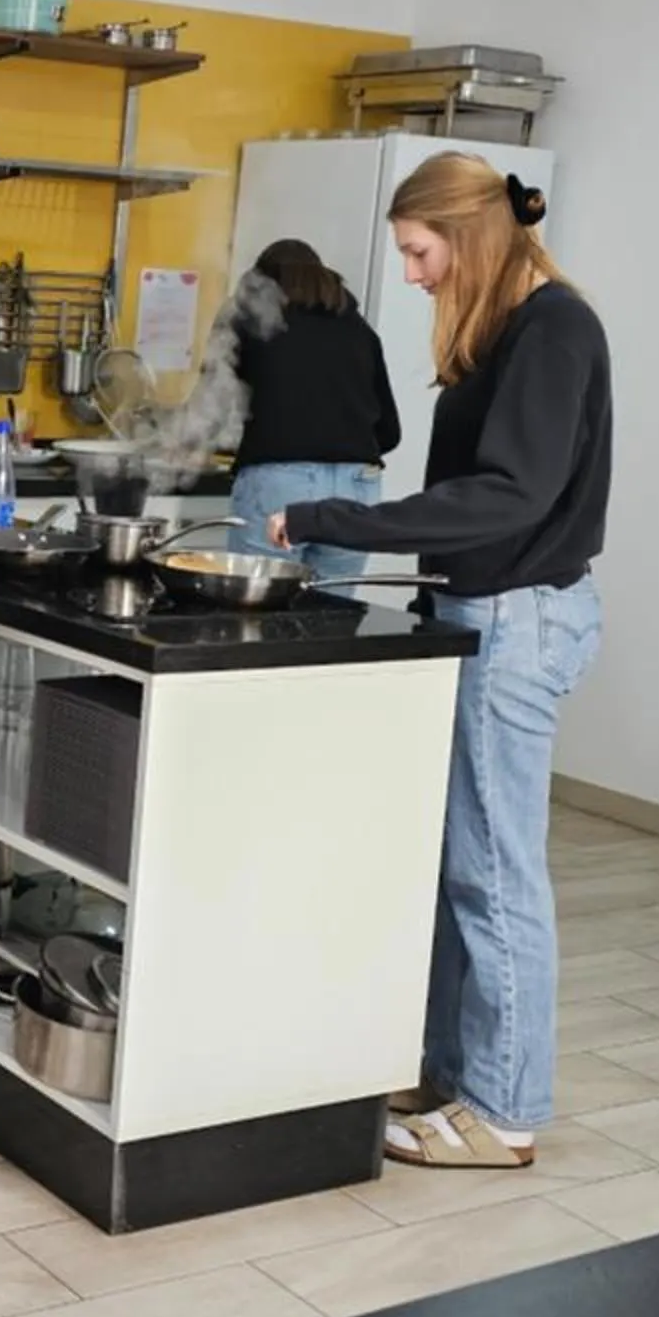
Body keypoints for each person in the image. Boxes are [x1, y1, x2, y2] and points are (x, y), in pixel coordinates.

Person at [270, 154, 610, 1172]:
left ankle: (503, 1110)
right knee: (462, 865)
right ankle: (454, 1073)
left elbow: (509, 494)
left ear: (468, 236)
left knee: (495, 874)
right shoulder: (508, 331)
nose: (412, 276)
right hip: (484, 609)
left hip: (518, 621)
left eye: (419, 254)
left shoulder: (554, 330)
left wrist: (340, 520)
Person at [224, 238, 400, 582]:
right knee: (332, 619)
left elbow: (211, 407)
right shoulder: (360, 331)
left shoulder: (249, 322)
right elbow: (389, 433)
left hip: (278, 484)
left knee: (256, 617)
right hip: (357, 487)